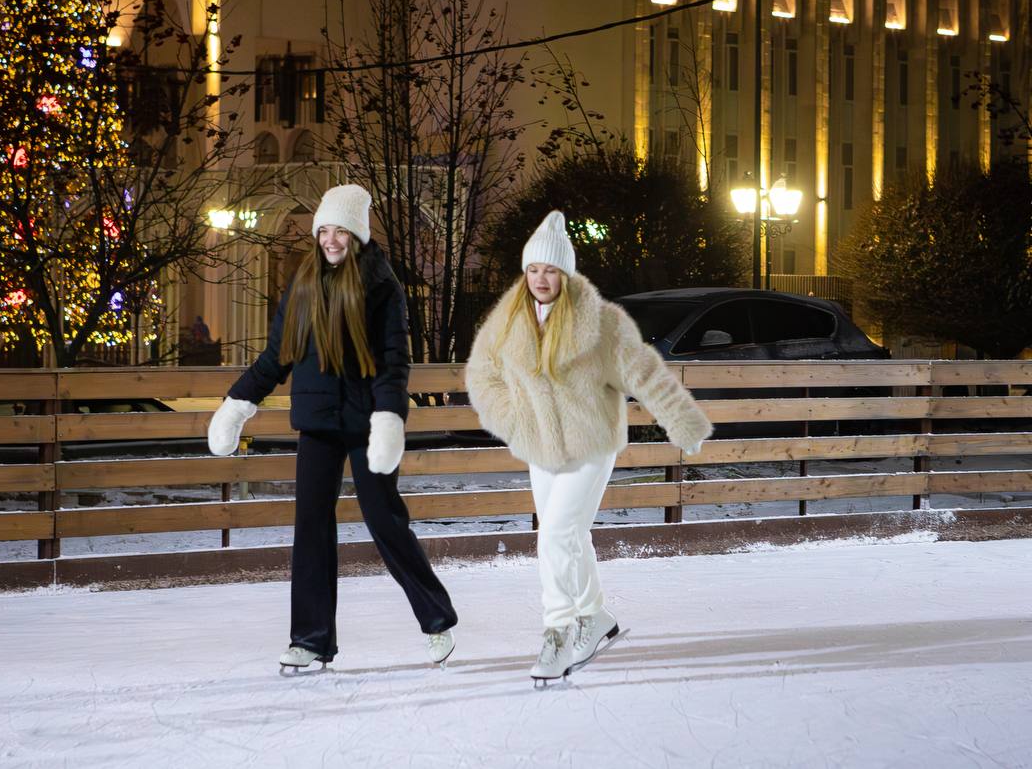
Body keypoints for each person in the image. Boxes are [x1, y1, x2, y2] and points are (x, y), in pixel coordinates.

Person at [208, 184, 458, 673]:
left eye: (340, 229)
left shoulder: (381, 285)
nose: (330, 239)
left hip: (366, 425)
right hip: (319, 425)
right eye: (324, 229)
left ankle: (437, 620)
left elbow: (393, 362)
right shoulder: (302, 285)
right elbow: (275, 356)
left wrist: (389, 419)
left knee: (385, 521)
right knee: (311, 529)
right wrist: (238, 403)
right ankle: (311, 639)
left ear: (357, 234)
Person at [465, 211, 712, 685]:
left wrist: (681, 420)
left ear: (567, 274)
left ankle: (557, 631)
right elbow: (482, 376)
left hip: (591, 442)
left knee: (555, 534)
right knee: (569, 537)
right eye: (534, 269)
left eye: (551, 270)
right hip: (540, 445)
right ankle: (594, 616)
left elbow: (645, 373)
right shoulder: (507, 320)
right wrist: (514, 421)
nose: (541, 279)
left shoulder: (602, 323)